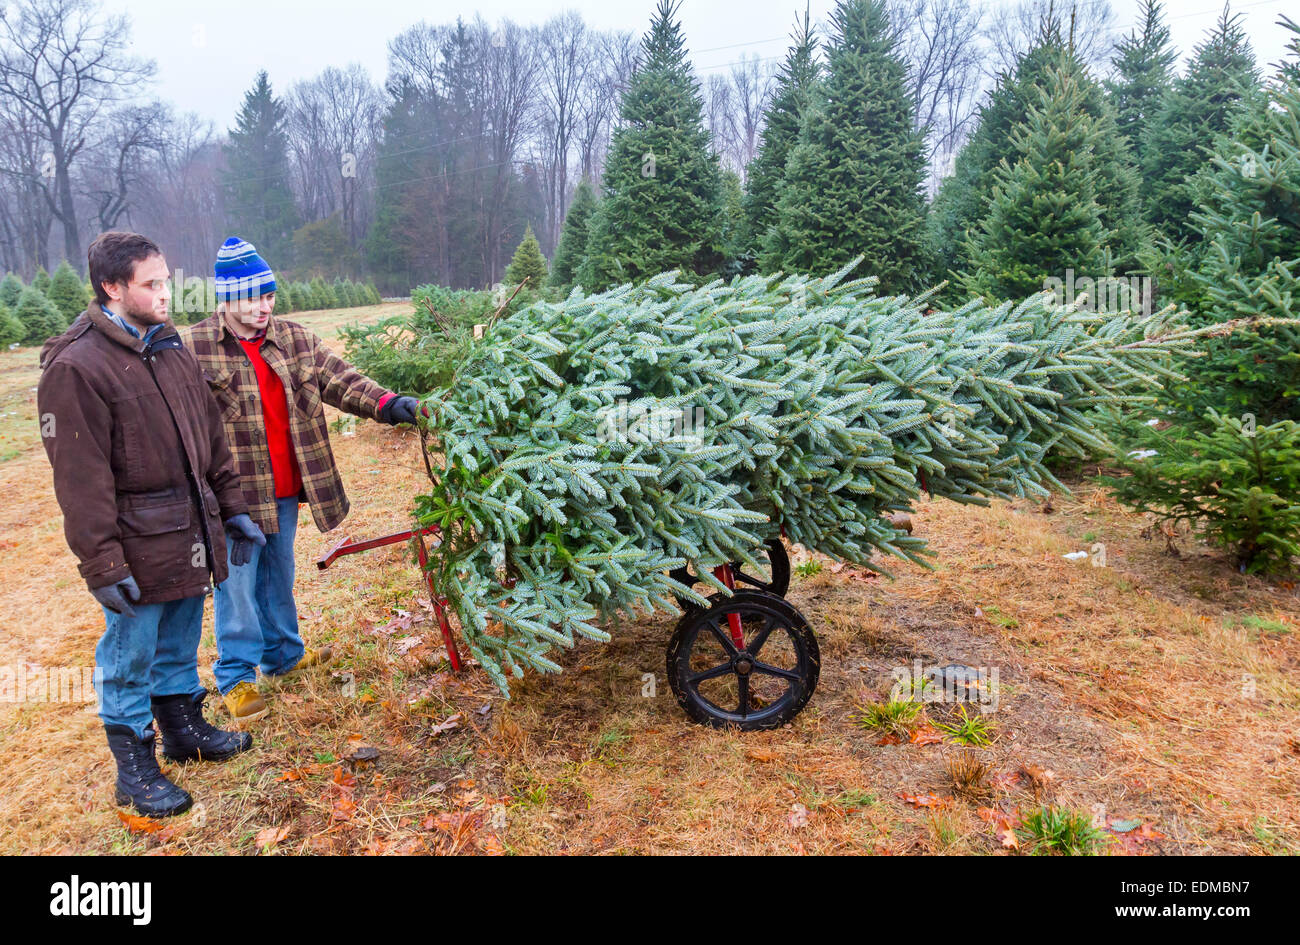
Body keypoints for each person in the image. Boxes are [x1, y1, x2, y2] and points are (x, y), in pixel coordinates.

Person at [38, 231, 266, 817]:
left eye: (168, 280)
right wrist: (102, 562)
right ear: (111, 288)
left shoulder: (169, 346)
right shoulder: (77, 367)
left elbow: (208, 436)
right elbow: (79, 480)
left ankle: (184, 729)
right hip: (134, 538)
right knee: (130, 650)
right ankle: (134, 767)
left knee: (182, 634)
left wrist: (233, 507)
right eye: (152, 285)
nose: (168, 294)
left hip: (189, 528)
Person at [185, 238, 421, 724]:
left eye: (269, 296)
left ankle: (284, 657)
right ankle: (236, 677)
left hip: (287, 485)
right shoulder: (196, 349)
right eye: (253, 298)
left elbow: (343, 380)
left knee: (279, 574)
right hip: (234, 495)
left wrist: (389, 404)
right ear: (226, 299)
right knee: (237, 585)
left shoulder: (294, 339)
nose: (263, 307)